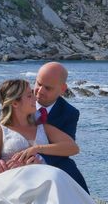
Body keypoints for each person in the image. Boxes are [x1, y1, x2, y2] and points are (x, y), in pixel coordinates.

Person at [34, 62, 89, 194]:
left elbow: (66, 149)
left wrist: (40, 159)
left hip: (52, 162)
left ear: (62, 89)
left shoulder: (69, 113)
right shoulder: (18, 99)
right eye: (38, 84)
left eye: (48, 88)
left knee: (77, 188)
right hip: (14, 159)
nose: (40, 91)